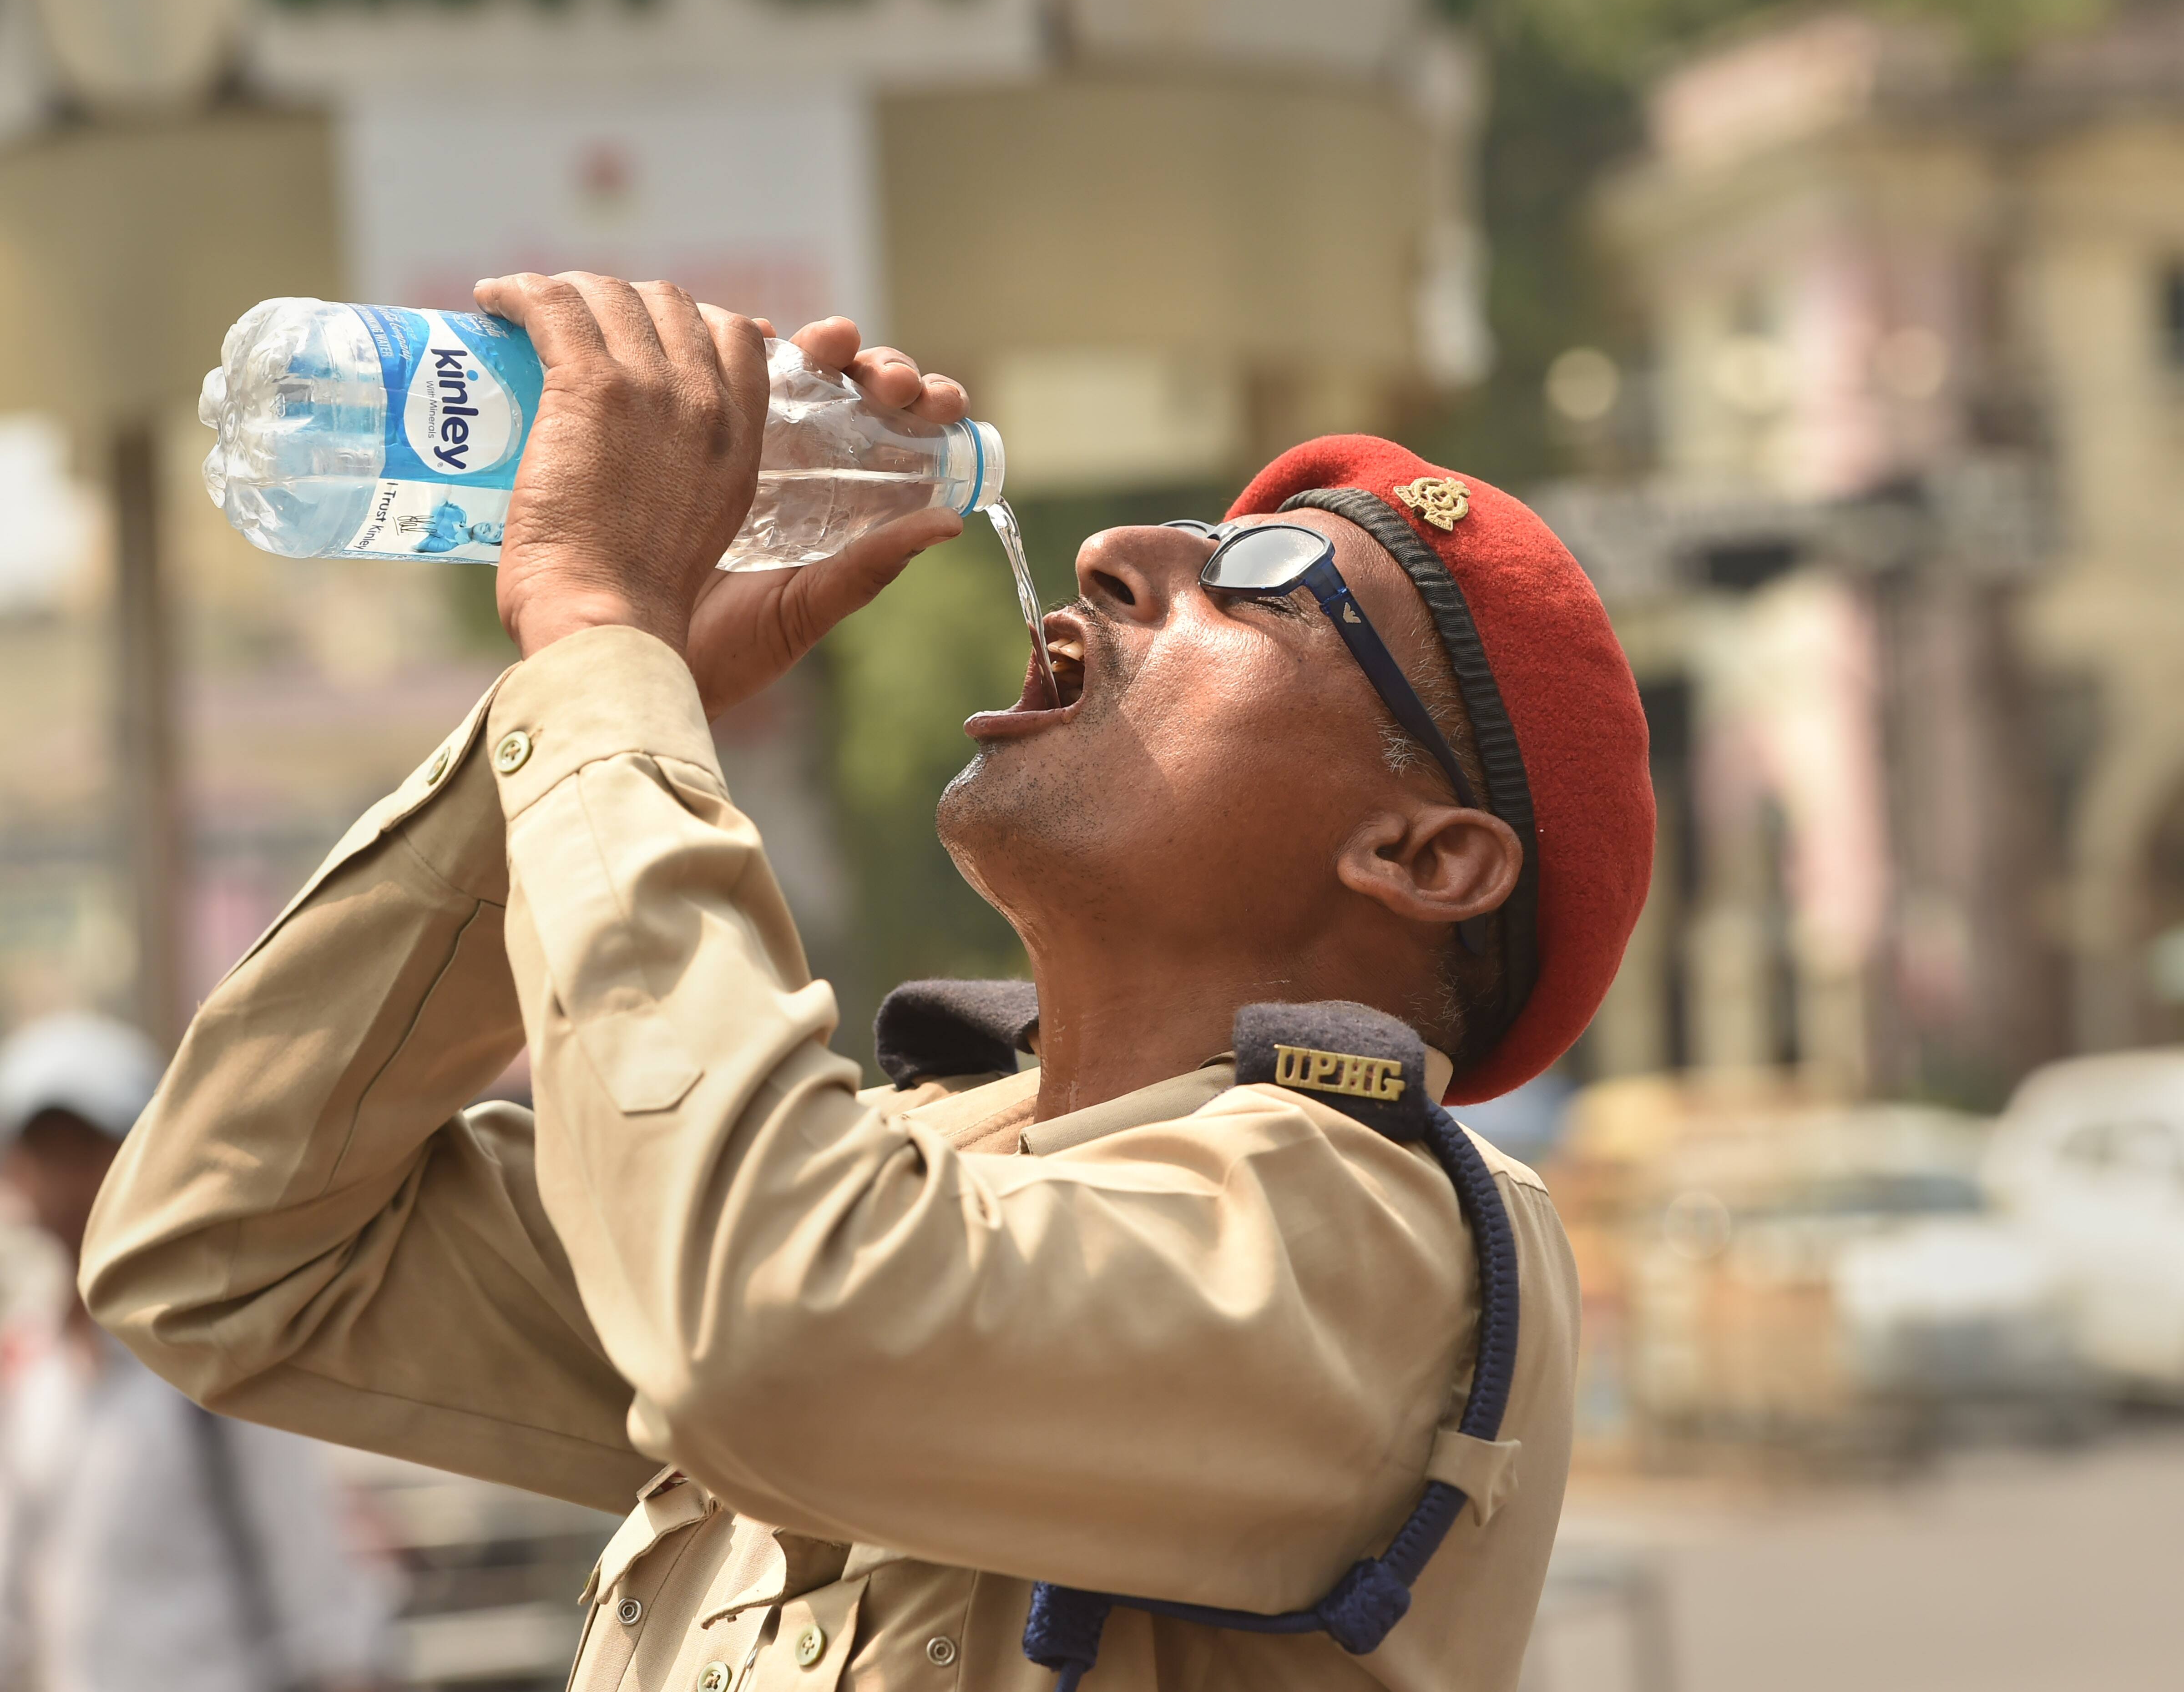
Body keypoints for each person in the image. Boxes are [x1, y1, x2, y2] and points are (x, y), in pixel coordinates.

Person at [81, 276, 1653, 1692]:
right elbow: (226, 1251)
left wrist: (603, 649)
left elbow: (768, 1324)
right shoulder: (926, 1174)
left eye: (1266, 579)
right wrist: (621, 694)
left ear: (1422, 857)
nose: (1115, 553)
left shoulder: (1383, 1245)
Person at [0, 1013, 394, 1692]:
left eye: (85, 1150)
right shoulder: (30, 1365)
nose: (64, 1184)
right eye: (45, 1153)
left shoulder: (214, 1351)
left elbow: (318, 1597)